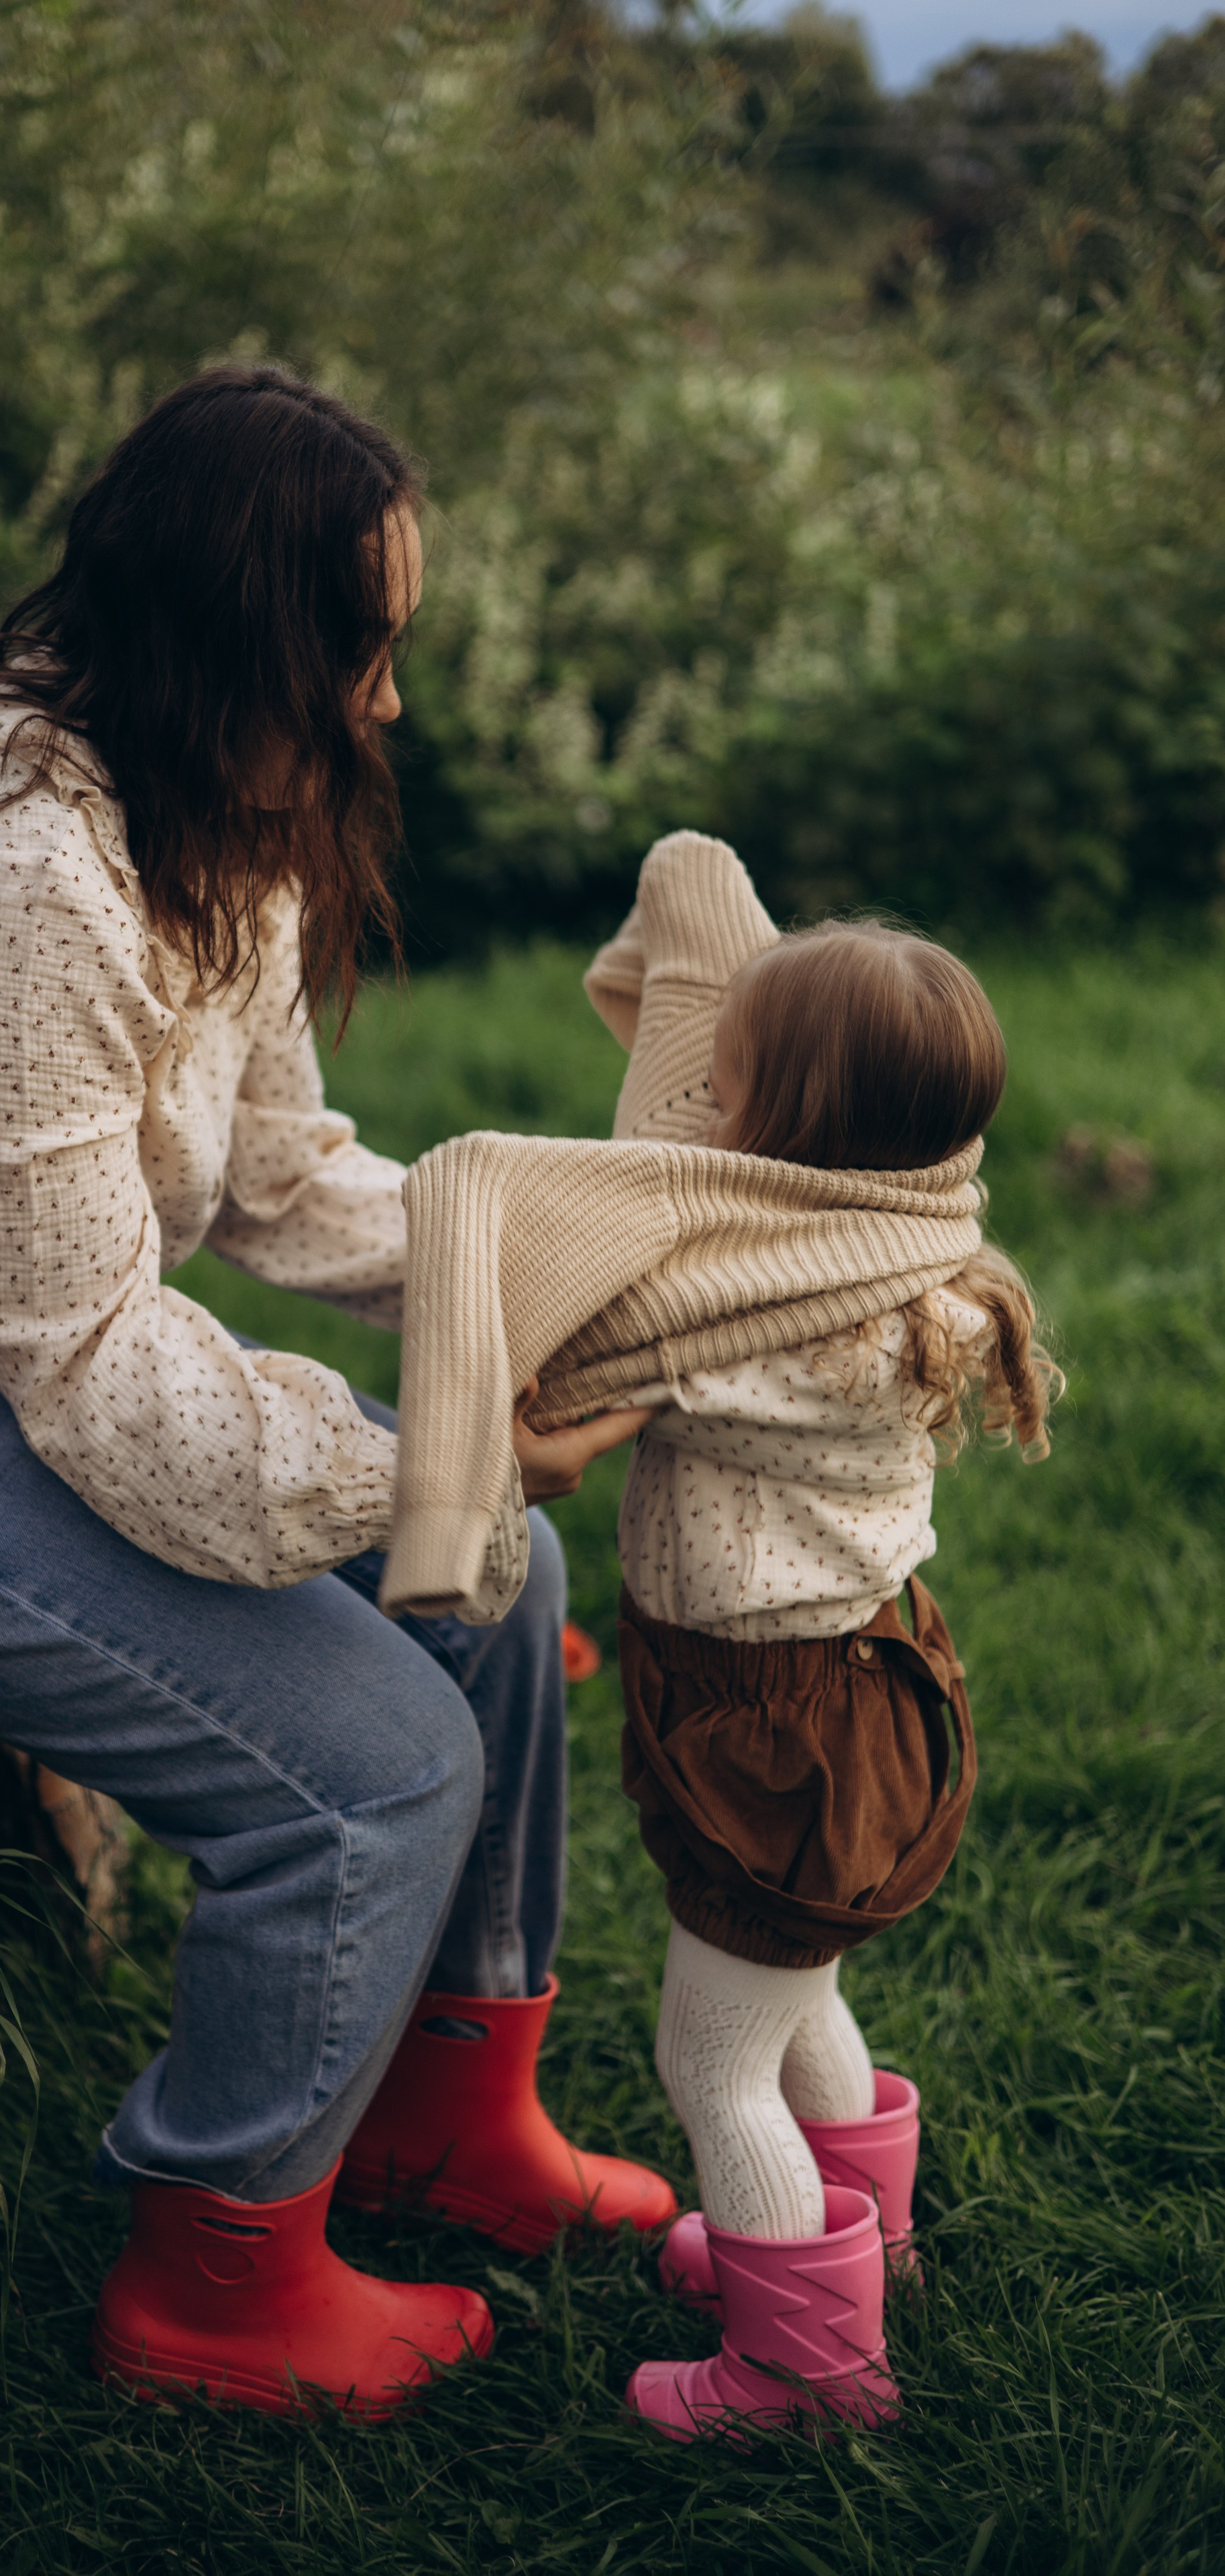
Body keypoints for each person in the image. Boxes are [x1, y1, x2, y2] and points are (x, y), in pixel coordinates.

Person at [0, 366, 669, 2421]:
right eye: (359, 649)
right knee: (370, 1771)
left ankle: (447, 2113)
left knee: (501, 1572)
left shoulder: (209, 813)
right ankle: (212, 2284)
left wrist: (536, 1285)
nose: (388, 703)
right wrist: (429, 1452)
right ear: (232, 634)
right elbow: (90, 1370)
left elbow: (279, 1174)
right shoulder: (5, 867)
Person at [590, 839, 1059, 2440]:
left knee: (709, 2065)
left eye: (719, 1089)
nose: (698, 1110)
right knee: (793, 1998)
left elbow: (612, 1338)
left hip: (777, 1726)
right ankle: (862, 2250)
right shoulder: (909, 1274)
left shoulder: (779, 1331)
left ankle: (801, 2370)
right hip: (855, 1691)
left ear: (779, 1137)